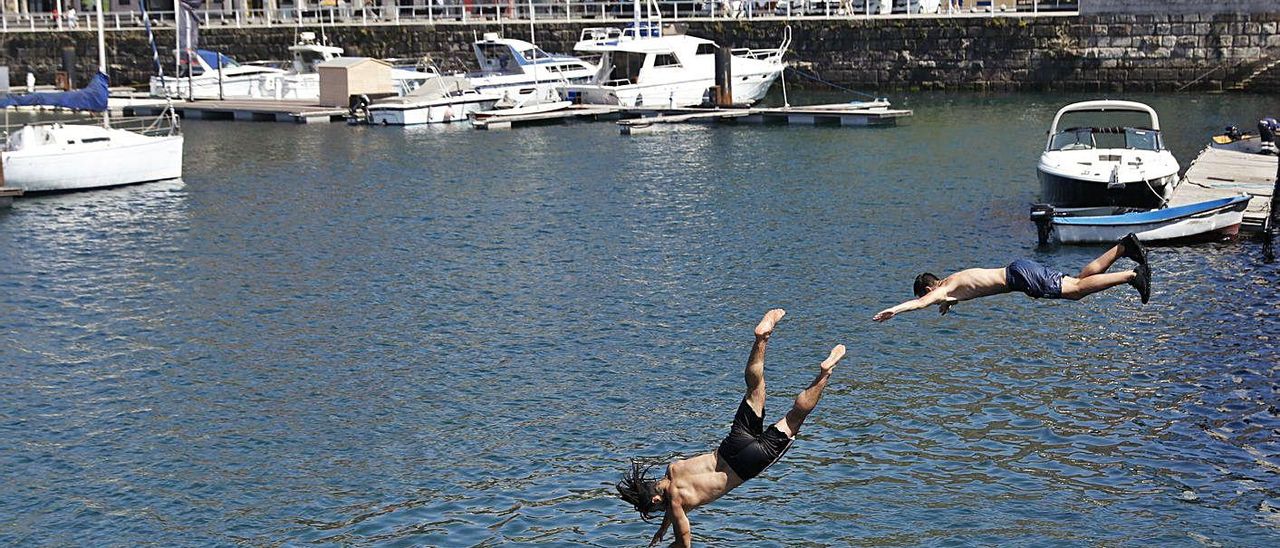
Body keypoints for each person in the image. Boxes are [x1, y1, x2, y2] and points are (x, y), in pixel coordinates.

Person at [616, 309, 846, 548]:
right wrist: (665, 526)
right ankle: (761, 339)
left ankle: (825, 372)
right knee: (755, 389)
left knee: (794, 419)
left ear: (656, 499)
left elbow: (684, 543)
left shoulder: (676, 502)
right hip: (731, 446)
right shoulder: (673, 470)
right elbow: (670, 500)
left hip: (747, 464)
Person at [873, 232, 1151, 322]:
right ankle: (1124, 247)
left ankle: (1131, 276)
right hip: (1019, 270)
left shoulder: (942, 291)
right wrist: (948, 303)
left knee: (1077, 290)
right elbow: (962, 291)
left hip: (1020, 278)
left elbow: (922, 304)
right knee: (1078, 281)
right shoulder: (952, 282)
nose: (930, 302)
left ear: (927, 288)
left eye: (928, 296)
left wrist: (893, 311)